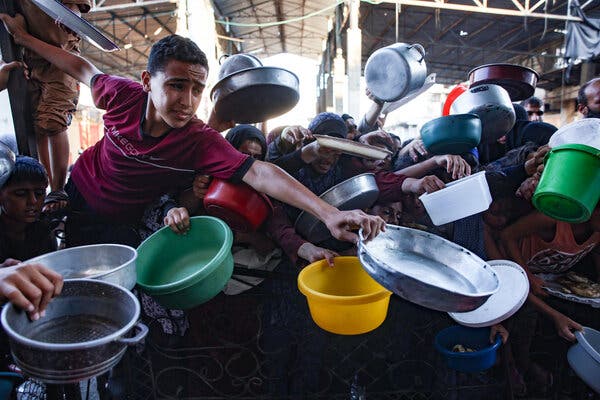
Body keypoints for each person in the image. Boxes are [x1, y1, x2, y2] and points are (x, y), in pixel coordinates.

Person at [0, 15, 385, 248]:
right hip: (80, 193)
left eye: (197, 89)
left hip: (124, 221)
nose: (188, 100)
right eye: (177, 85)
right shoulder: (121, 96)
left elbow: (261, 172)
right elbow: (79, 66)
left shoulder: (199, 140)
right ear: (147, 80)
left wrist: (328, 212)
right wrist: (24, 39)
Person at [19, 0, 92, 215]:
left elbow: (79, 8)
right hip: (29, 58)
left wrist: (72, 14)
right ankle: (45, 185)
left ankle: (58, 188)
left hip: (61, 56)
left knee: (53, 122)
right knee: (37, 124)